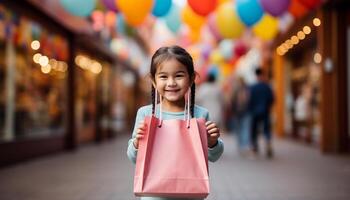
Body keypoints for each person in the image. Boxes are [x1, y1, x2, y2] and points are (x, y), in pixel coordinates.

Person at [127, 46, 224, 200]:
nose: (171, 82)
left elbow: (214, 156)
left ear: (191, 79)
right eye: (163, 77)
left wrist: (212, 142)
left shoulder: (200, 115)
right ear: (153, 80)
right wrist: (137, 143)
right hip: (154, 194)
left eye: (179, 75)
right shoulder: (146, 114)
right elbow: (133, 157)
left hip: (191, 194)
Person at [248, 68, 274, 158]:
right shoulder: (267, 87)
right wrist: (268, 107)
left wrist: (250, 109)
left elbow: (249, 100)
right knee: (266, 129)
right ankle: (268, 143)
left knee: (254, 130)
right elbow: (272, 99)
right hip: (265, 111)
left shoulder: (252, 87)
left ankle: (255, 147)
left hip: (254, 112)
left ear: (256, 76)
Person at [231, 76, 251, 155]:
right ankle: (244, 146)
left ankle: (240, 145)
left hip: (237, 112)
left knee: (238, 129)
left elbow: (232, 100)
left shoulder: (235, 89)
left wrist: (233, 110)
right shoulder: (247, 89)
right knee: (245, 128)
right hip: (246, 111)